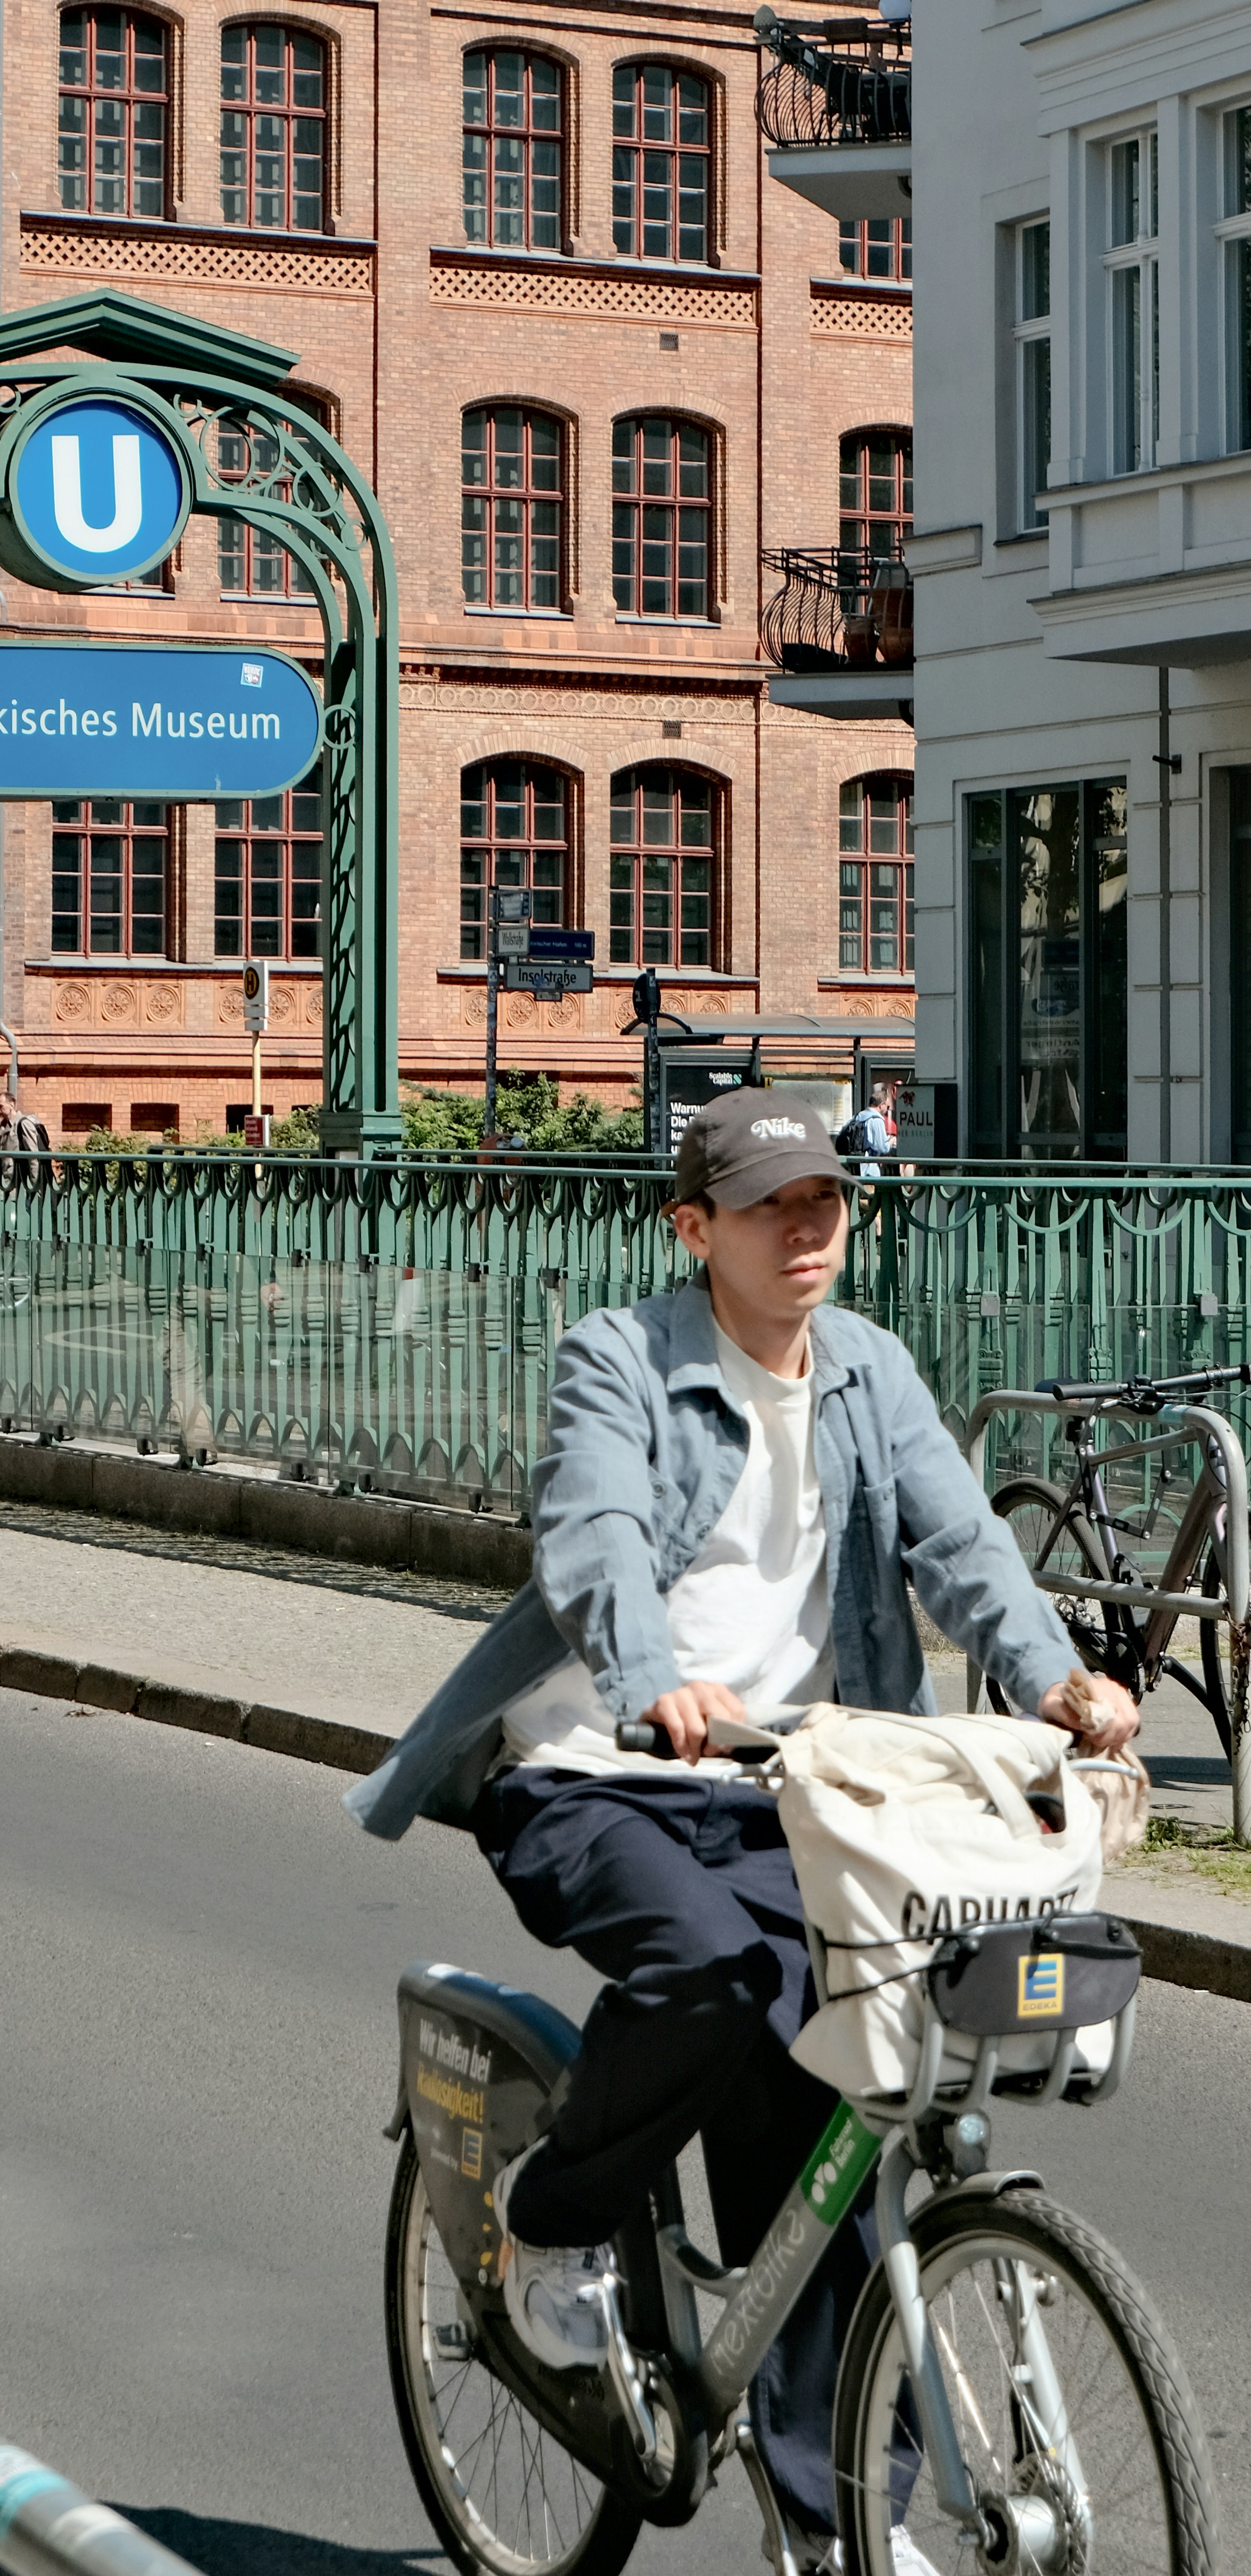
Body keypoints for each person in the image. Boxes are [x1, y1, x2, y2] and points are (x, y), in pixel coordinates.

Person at [347, 1085, 1136, 2572]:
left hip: (795, 1784)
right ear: (693, 1226)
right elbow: (592, 1541)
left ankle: (830, 2523)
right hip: (597, 1769)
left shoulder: (869, 1369)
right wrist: (655, 1691)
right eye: (772, 1205)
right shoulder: (621, 1360)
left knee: (830, 2104)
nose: (806, 1229)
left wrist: (1058, 1676)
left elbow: (961, 1544)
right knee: (714, 1970)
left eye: (824, 1200)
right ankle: (553, 2217)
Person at [0, 1083, 53, 1182]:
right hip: (7, 1183)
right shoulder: (2, 1128)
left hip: (22, 1184)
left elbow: (34, 1156)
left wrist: (36, 1186)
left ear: (12, 1105)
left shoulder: (24, 1124)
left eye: (0, 1106)